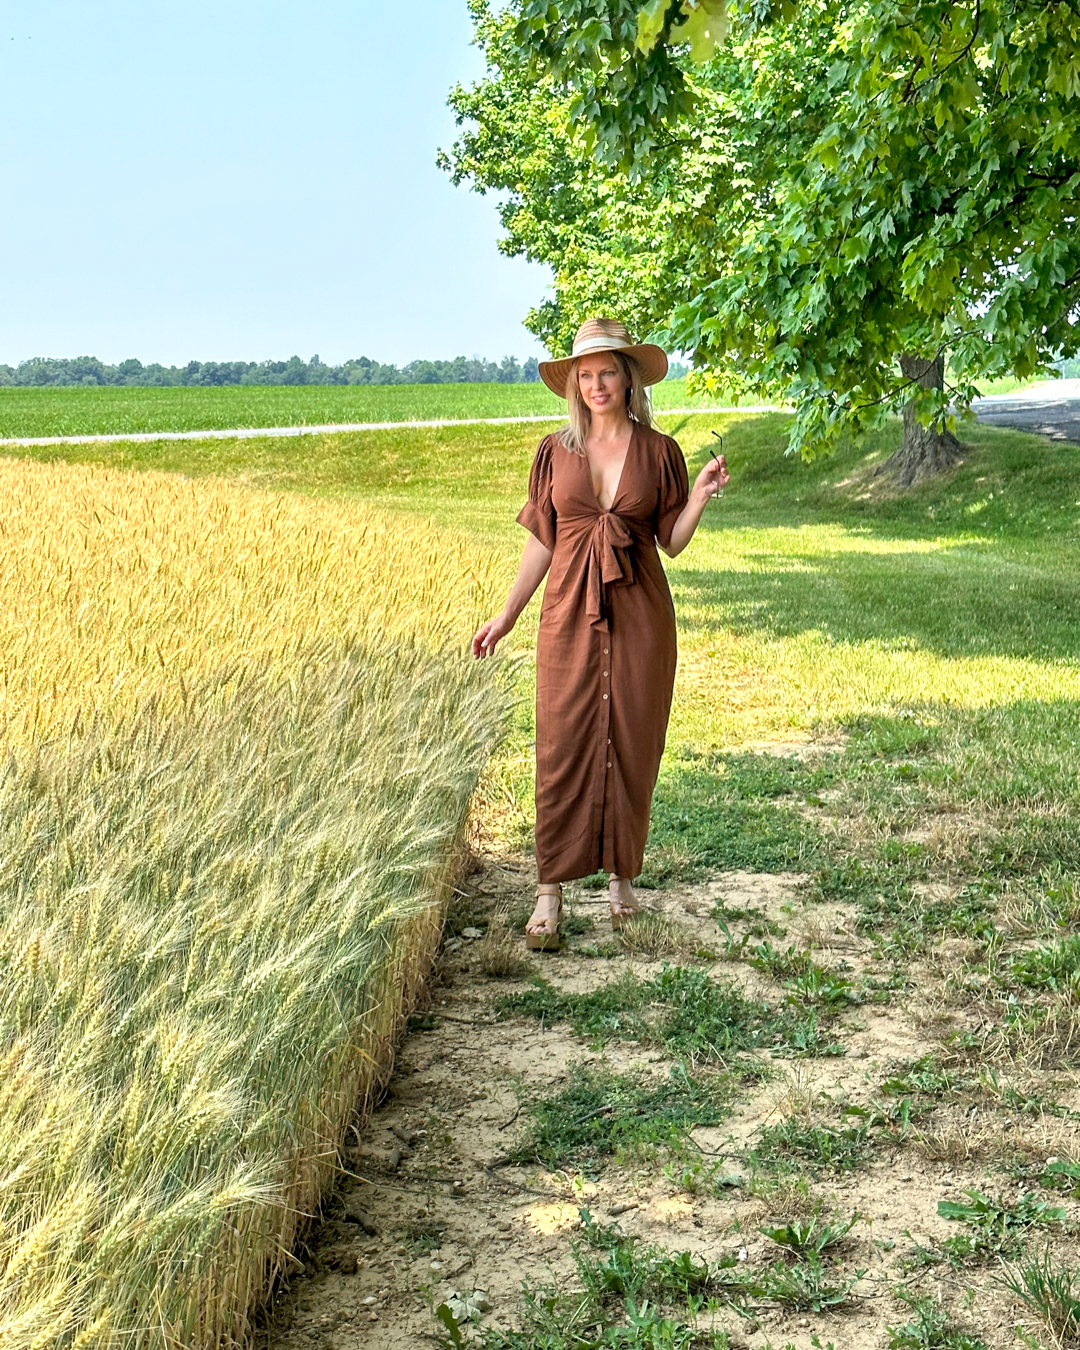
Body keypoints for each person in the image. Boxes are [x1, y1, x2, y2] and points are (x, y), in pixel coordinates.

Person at [472, 318, 728, 948]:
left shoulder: (660, 451)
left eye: (605, 372)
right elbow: (542, 542)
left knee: (633, 742)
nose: (595, 385)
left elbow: (669, 542)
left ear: (628, 377)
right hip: (567, 615)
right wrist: (507, 614)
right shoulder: (554, 452)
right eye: (584, 375)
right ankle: (549, 894)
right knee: (561, 744)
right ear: (573, 386)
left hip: (641, 615)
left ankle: (622, 882)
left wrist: (696, 497)